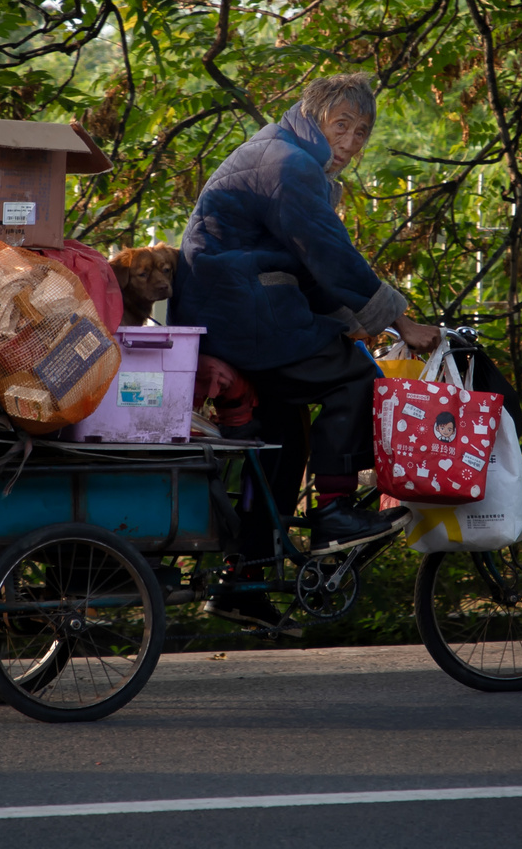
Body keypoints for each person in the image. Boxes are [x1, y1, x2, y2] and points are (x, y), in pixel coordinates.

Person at [171, 72, 440, 629]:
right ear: (312, 116)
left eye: (361, 133)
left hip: (241, 309)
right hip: (242, 312)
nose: (349, 143)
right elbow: (328, 253)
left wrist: (348, 321)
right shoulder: (288, 165)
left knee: (282, 440)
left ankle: (243, 583)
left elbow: (310, 268)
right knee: (354, 377)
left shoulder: (292, 161)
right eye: (341, 125)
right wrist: (399, 320)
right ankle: (334, 513)